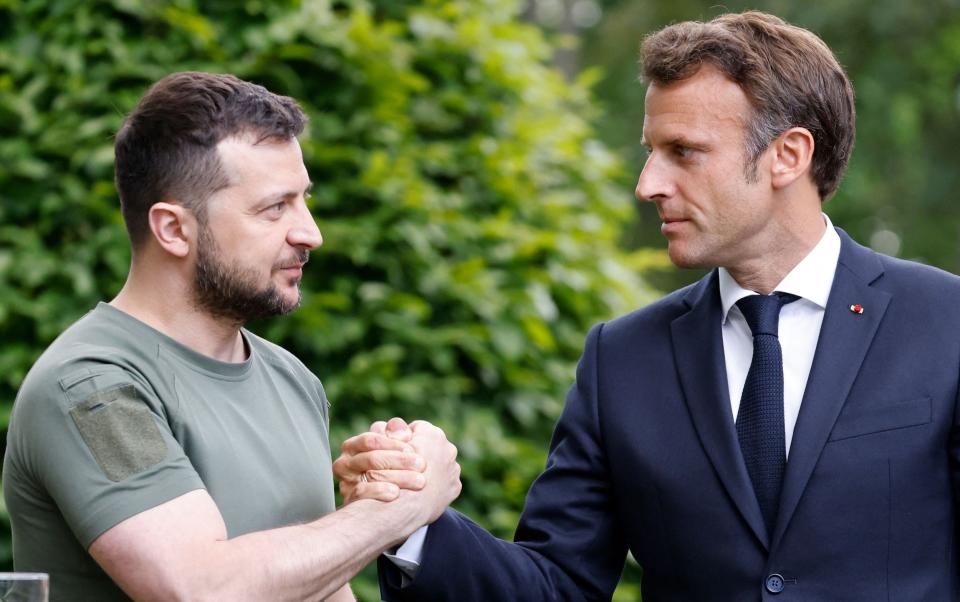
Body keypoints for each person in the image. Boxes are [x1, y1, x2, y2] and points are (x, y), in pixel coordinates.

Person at [334, 11, 960, 601]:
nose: (648, 184)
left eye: (683, 151)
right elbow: (556, 584)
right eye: (651, 150)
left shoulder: (945, 321)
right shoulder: (622, 358)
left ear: (787, 156)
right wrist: (410, 521)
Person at [2, 71, 461, 602]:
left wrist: (392, 479)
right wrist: (399, 507)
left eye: (304, 200)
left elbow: (319, 591)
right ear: (173, 229)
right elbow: (198, 589)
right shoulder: (91, 389)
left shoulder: (292, 381)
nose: (310, 232)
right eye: (275, 208)